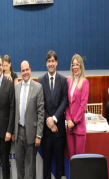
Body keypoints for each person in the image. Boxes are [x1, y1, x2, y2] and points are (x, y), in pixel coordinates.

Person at [38, 50, 68, 179]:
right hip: (46, 132)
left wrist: (54, 119)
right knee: (46, 166)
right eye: (49, 61)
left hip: (59, 131)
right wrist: (49, 122)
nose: (51, 63)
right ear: (46, 63)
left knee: (60, 165)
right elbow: (40, 104)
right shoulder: (40, 80)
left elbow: (64, 101)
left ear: (56, 62)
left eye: (53, 61)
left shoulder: (63, 80)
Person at [12, 60, 44, 179]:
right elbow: (14, 111)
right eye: (23, 70)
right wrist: (13, 131)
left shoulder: (38, 87)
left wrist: (39, 135)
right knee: (19, 167)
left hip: (32, 133)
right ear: (20, 72)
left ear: (30, 70)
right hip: (18, 132)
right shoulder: (16, 87)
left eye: (27, 70)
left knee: (31, 169)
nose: (25, 72)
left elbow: (41, 112)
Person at [0, 55, 15, 179]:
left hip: (5, 132)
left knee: (5, 164)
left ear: (3, 66)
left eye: (0, 65)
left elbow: (12, 109)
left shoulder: (9, 84)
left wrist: (9, 131)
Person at [65, 54, 89, 158]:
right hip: (70, 127)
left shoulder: (84, 82)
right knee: (72, 157)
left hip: (78, 127)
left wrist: (74, 121)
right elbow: (66, 103)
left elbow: (83, 105)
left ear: (81, 66)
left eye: (77, 64)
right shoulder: (68, 81)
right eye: (73, 65)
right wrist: (68, 120)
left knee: (79, 159)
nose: (75, 67)